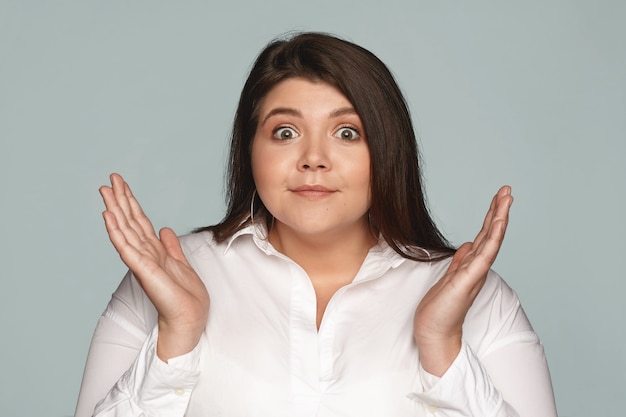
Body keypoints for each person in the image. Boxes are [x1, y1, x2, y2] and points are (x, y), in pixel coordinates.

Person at [75, 32, 558, 417]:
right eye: (285, 132)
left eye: (347, 133)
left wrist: (443, 346)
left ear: (387, 151)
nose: (313, 159)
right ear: (250, 150)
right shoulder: (169, 276)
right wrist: (176, 336)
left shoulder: (474, 295)